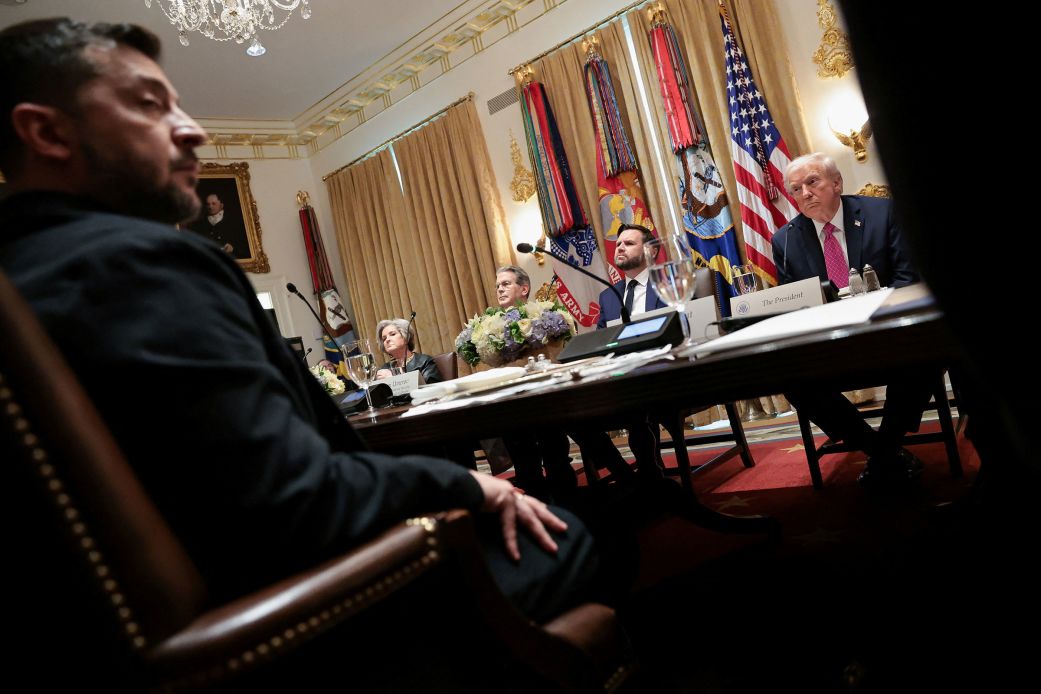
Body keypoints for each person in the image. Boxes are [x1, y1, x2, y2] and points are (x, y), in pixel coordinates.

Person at [0, 18, 598, 627]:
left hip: (177, 624)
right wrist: (469, 488)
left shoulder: (22, 279)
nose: (193, 130)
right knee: (582, 533)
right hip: (307, 610)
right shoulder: (142, 261)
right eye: (150, 105)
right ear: (46, 131)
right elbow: (293, 500)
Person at [772, 152, 932, 487]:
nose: (804, 193)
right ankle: (881, 450)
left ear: (836, 182)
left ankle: (882, 449)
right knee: (790, 378)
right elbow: (794, 303)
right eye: (795, 189)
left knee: (926, 356)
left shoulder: (882, 213)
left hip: (887, 335)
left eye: (812, 182)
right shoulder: (785, 239)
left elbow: (908, 279)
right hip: (831, 348)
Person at [596, 223, 667, 329]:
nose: (620, 248)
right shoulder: (608, 297)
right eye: (618, 244)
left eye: (629, 243)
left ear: (652, 251)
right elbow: (601, 340)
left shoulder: (673, 286)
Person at [373, 317, 442, 384]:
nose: (387, 340)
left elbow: (432, 390)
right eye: (384, 338)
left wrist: (393, 379)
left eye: (392, 334)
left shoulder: (424, 362)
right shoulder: (385, 368)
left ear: (406, 337)